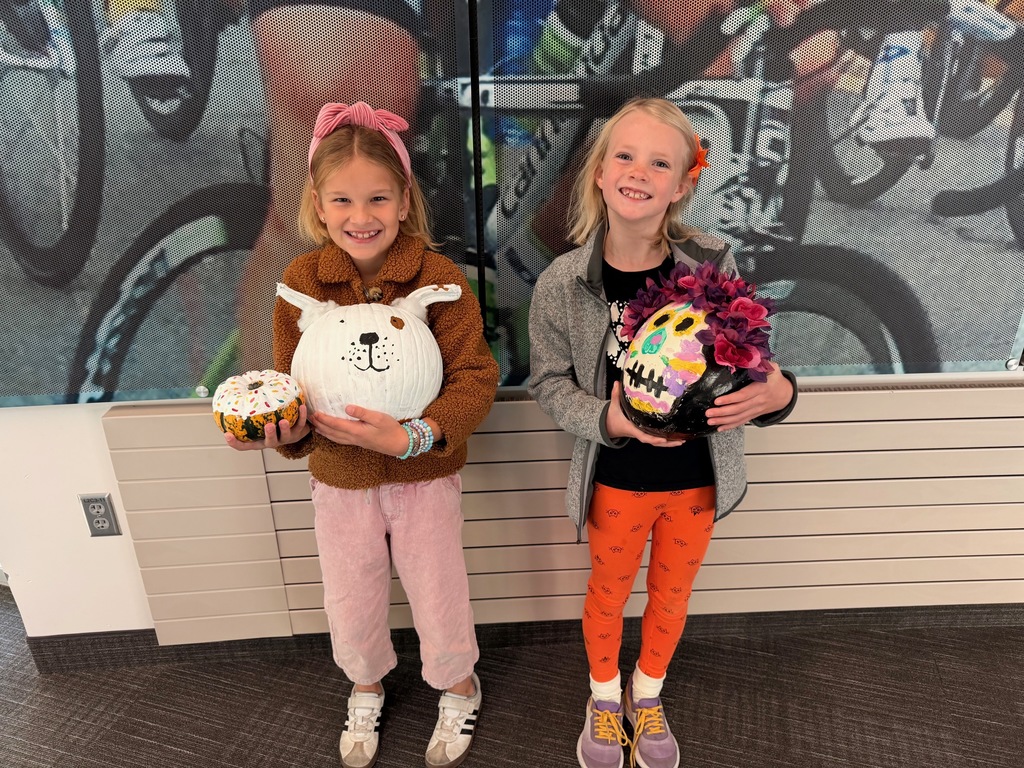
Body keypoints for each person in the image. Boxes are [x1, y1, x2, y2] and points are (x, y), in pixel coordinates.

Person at [225, 101, 499, 768]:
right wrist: (277, 431)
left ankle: (458, 684)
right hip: (340, 482)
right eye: (343, 200)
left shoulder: (439, 281)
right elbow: (295, 390)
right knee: (350, 594)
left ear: (405, 201)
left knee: (438, 591)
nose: (361, 215)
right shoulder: (300, 284)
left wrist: (416, 436)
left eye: (378, 197)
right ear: (318, 206)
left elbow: (475, 377)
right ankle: (366, 681)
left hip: (423, 477)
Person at [527, 97, 798, 768]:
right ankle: (604, 696)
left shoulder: (711, 263)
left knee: (672, 595)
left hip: (695, 483)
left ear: (682, 184)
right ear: (598, 171)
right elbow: (547, 383)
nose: (638, 171)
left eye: (659, 161)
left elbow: (756, 362)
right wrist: (607, 419)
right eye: (624, 155)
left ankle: (648, 693)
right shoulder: (563, 282)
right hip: (617, 477)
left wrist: (779, 391)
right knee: (608, 592)